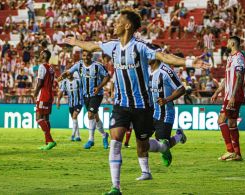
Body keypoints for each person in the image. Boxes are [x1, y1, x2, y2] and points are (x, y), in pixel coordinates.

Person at [64, 9, 207, 195]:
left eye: (118, 22)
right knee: (115, 140)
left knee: (144, 146)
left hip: (142, 107)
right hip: (121, 104)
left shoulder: (140, 47)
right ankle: (116, 187)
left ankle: (167, 145)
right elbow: (92, 46)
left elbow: (164, 57)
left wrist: (188, 62)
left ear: (127, 25)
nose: (114, 25)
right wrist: (76, 42)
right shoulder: (112, 45)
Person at [59, 51, 110, 150]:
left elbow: (107, 76)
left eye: (88, 55)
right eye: (84, 55)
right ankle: (104, 135)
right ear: (82, 56)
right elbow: (69, 72)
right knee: (95, 116)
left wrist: (99, 87)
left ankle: (91, 140)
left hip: (96, 94)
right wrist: (62, 76)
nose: (86, 57)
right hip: (85, 95)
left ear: (91, 56)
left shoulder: (97, 66)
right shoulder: (79, 65)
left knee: (90, 114)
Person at [147, 58, 187, 167]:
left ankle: (179, 136)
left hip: (165, 113)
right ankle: (145, 171)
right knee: (141, 139)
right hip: (151, 113)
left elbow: (181, 89)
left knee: (163, 144)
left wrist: (166, 100)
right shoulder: (146, 70)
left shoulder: (166, 71)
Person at [211, 36, 245, 161]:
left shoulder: (239, 58)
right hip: (229, 95)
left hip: (233, 96)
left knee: (221, 120)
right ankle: (237, 154)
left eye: (227, 42)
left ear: (232, 43)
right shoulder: (231, 58)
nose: (226, 44)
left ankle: (230, 150)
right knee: (231, 123)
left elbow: (239, 77)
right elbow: (227, 78)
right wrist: (217, 92)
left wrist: (233, 96)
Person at [33, 50, 56, 151]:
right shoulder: (51, 68)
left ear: (44, 56)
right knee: (46, 119)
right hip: (50, 95)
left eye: (42, 53)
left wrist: (35, 93)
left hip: (43, 95)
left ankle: (50, 141)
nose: (40, 54)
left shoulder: (42, 67)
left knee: (38, 118)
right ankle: (47, 143)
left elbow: (40, 82)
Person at [57, 72, 84, 142]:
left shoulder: (78, 81)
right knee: (74, 119)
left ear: (72, 74)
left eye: (69, 74)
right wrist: (58, 101)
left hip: (79, 102)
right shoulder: (65, 82)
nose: (68, 75)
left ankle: (72, 135)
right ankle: (78, 136)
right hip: (71, 104)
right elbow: (61, 91)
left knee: (74, 116)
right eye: (67, 74)